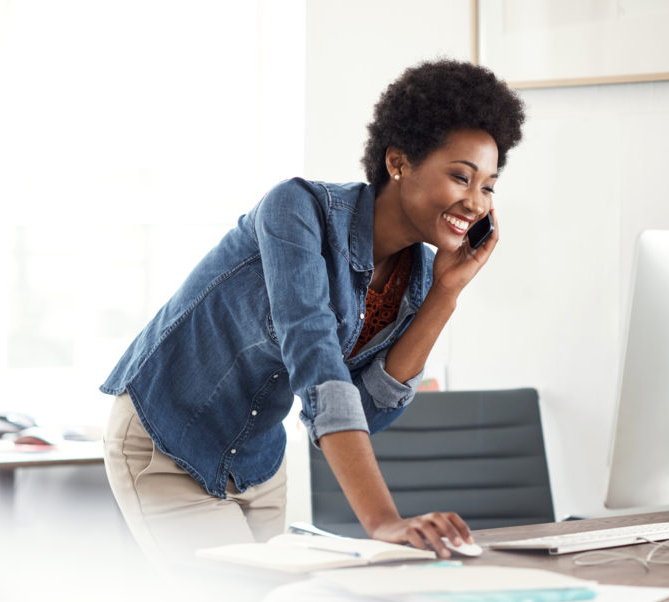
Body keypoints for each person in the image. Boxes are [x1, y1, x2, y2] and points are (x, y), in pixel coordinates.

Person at [101, 58, 526, 568]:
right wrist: (383, 522)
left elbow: (362, 414)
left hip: (256, 464)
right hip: (169, 442)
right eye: (461, 177)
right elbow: (316, 360)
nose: (476, 203)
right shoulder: (297, 210)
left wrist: (445, 294)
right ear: (398, 162)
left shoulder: (420, 278)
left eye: (489, 186)